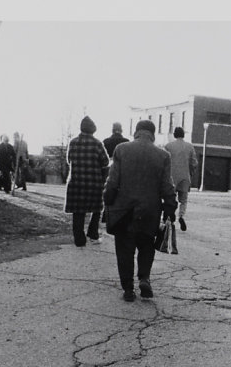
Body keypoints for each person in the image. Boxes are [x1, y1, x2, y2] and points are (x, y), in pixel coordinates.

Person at [103, 119, 176, 302]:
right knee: (146, 245)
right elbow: (167, 186)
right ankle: (144, 278)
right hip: (150, 210)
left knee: (124, 249)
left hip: (124, 210)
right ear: (152, 134)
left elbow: (112, 182)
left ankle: (128, 289)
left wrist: (108, 199)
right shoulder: (163, 155)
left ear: (136, 131)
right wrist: (170, 208)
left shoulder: (121, 149)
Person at [64, 116, 110, 247]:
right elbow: (105, 162)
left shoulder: (73, 142)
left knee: (78, 211)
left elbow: (68, 160)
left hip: (76, 182)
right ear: (93, 129)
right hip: (93, 182)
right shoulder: (97, 143)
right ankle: (92, 232)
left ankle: (79, 240)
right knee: (97, 208)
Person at [164, 126, 198, 233]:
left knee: (170, 199)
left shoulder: (168, 146)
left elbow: (164, 162)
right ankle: (181, 216)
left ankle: (170, 217)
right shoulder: (190, 147)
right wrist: (190, 173)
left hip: (171, 177)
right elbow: (194, 163)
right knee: (183, 200)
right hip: (185, 177)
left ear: (174, 134)